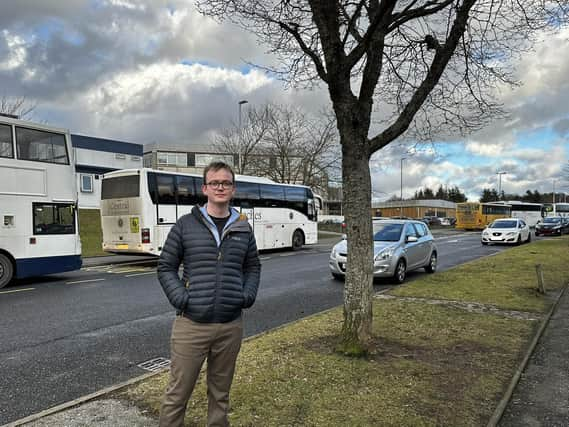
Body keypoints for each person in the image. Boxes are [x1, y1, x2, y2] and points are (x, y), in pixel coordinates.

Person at [157, 161, 261, 427]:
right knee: (177, 394)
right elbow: (166, 267)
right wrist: (182, 299)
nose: (220, 187)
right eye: (214, 182)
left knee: (220, 395)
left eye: (225, 182)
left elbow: (253, 266)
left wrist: (246, 295)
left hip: (230, 325)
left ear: (233, 188)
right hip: (191, 325)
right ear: (205, 188)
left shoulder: (242, 227)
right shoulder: (185, 225)